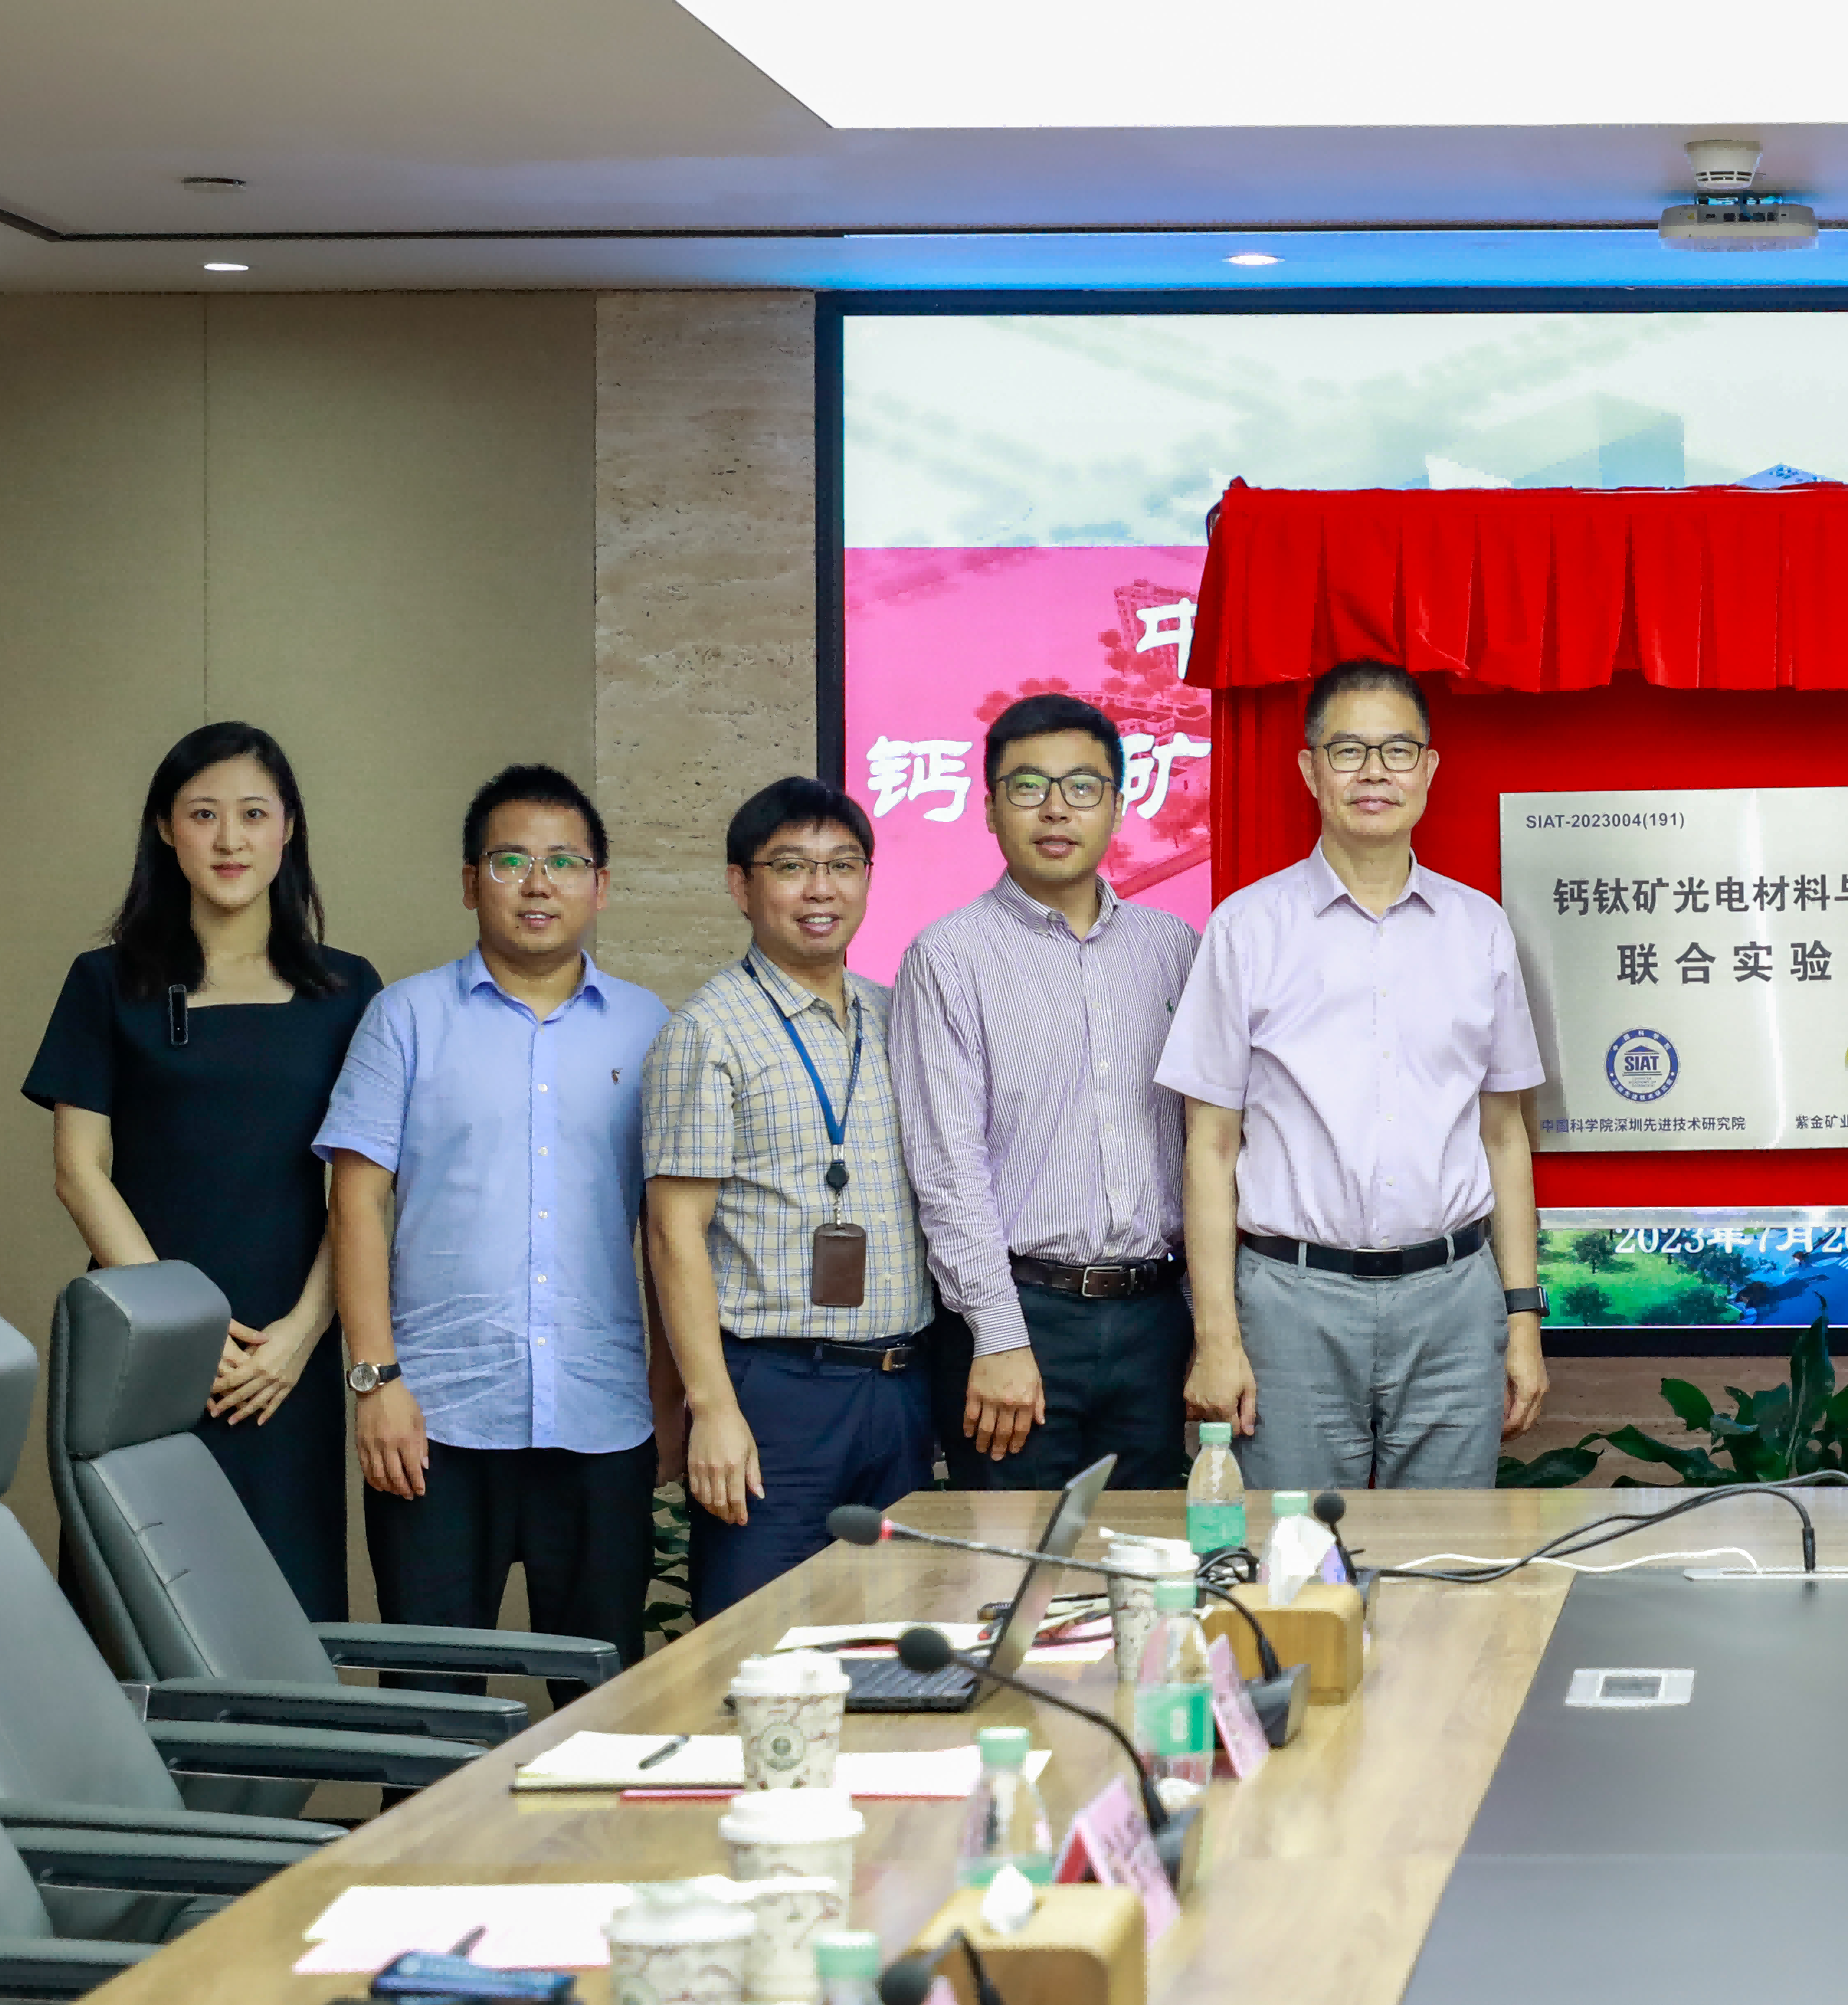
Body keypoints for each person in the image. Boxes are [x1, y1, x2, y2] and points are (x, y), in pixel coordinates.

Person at [1161, 660, 1551, 1491]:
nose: (1375, 772)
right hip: (1291, 1303)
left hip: (1454, 1303)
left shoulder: (1479, 928)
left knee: (1444, 1557)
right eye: (1349, 751)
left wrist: (1522, 1318)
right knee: (1294, 1555)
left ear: (1429, 768)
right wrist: (1217, 1337)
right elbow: (1210, 1145)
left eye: (1397, 750)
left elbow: (1505, 1136)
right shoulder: (1246, 929)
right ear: (1311, 769)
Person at [323, 764, 673, 1680]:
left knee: (603, 1704)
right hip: (434, 1421)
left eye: (565, 862)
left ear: (601, 885)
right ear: (470, 881)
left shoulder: (649, 1028)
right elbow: (355, 1201)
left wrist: (674, 1391)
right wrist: (374, 1381)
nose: (537, 883)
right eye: (511, 860)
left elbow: (670, 1230)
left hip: (601, 1419)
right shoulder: (404, 1018)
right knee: (431, 1705)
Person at [29, 722, 383, 1620]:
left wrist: (304, 1333)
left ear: (288, 828)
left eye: (254, 814)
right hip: (142, 1337)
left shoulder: (348, 991)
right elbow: (79, 1170)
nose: (230, 839)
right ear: (165, 828)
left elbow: (366, 1190)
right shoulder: (106, 982)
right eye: (203, 814)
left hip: (282, 1353)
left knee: (281, 1612)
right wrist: (179, 1324)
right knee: (132, 1617)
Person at [895, 694, 1203, 1492]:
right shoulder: (949, 955)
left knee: (1143, 1552)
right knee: (1020, 1558)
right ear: (990, 807)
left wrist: (1203, 1319)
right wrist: (997, 1333)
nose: (1056, 808)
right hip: (1021, 1317)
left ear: (1119, 805)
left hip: (1154, 1319)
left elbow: (1203, 1145)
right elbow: (947, 1165)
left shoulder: (1173, 948)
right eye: (1028, 786)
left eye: (1083, 786)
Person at [641, 777, 929, 1617]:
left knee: (893, 1642)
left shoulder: (895, 1016)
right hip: (776, 1393)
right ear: (742, 884)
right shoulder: (706, 1032)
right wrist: (711, 1410)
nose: (820, 888)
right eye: (792, 866)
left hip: (898, 1387)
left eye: (842, 864)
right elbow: (673, 1234)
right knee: (757, 1643)